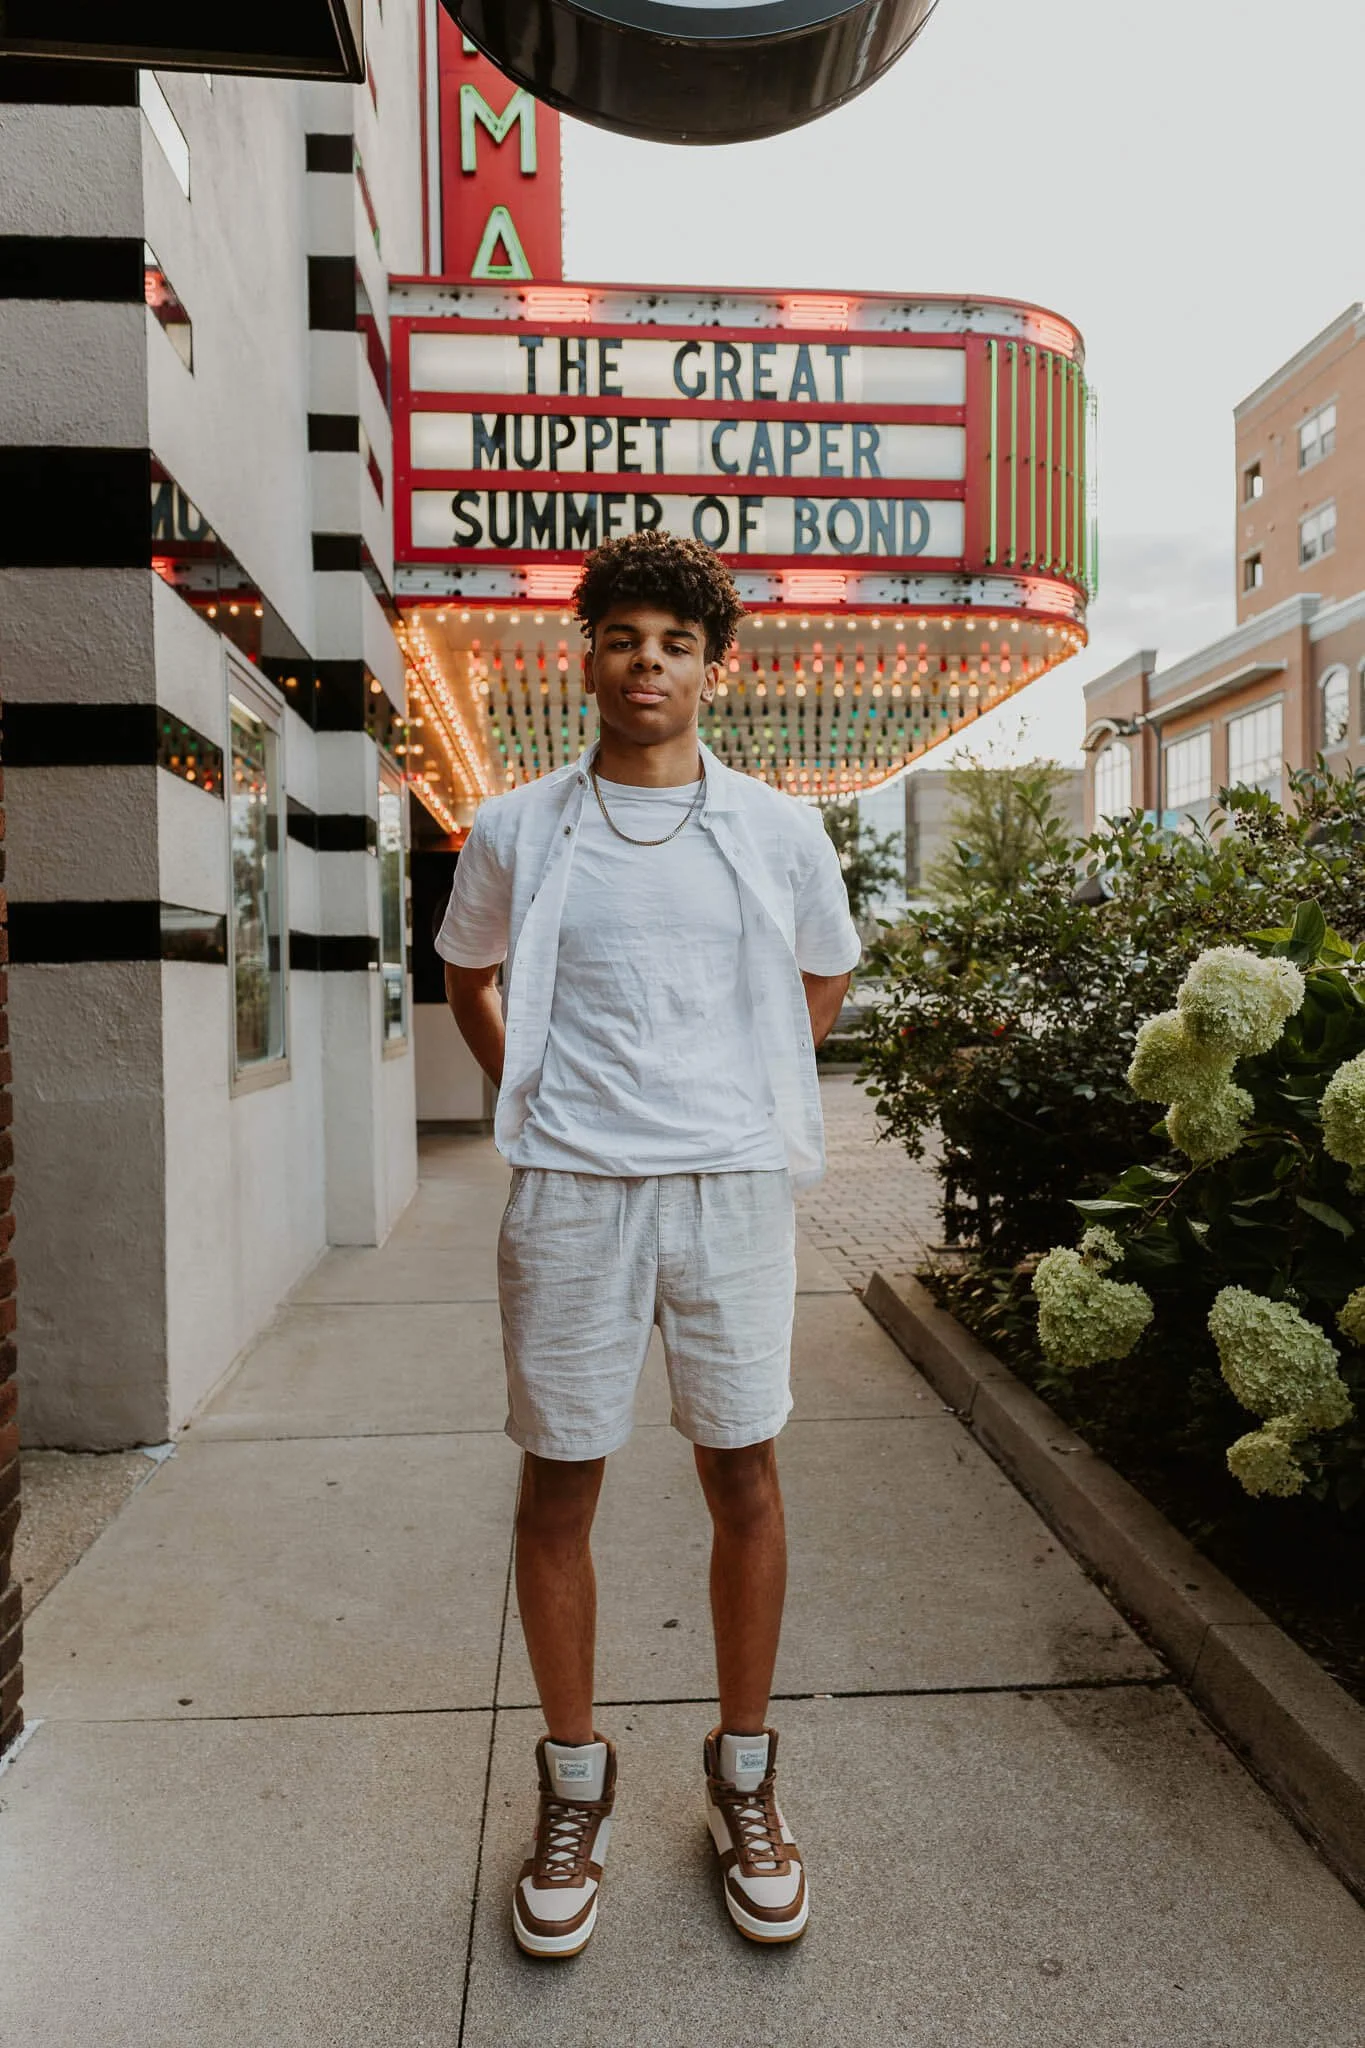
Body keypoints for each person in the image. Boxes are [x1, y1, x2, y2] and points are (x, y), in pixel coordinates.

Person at [437, 530, 860, 1958]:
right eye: (624, 636)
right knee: (560, 1480)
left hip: (729, 1189)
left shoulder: (778, 830)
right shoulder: (517, 828)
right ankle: (574, 1783)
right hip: (572, 1190)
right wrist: (529, 1089)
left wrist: (754, 1098)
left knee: (744, 1470)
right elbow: (467, 970)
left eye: (677, 642)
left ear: (713, 668)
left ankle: (744, 1779)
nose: (649, 662)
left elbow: (828, 969)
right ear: (590, 656)